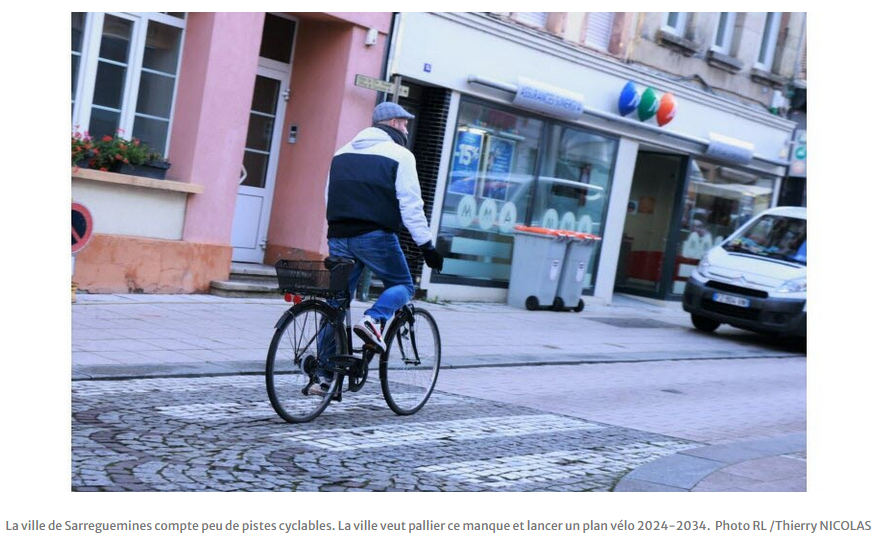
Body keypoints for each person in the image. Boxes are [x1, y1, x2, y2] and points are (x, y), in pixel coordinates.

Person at [314, 102, 443, 393]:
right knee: (404, 285)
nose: (408, 129)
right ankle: (374, 319)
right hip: (374, 236)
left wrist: (339, 231)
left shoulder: (342, 152)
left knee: (337, 303)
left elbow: (328, 195)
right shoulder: (400, 155)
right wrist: (427, 246)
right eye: (405, 123)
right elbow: (411, 206)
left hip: (338, 234)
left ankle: (323, 375)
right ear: (394, 123)